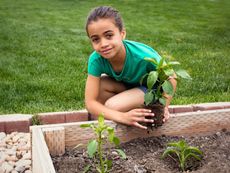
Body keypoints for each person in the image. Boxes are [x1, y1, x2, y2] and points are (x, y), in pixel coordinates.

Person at [84, 6, 177, 129]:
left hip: (151, 91)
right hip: (130, 86)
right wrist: (121, 117)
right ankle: (128, 114)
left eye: (109, 35)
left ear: (122, 34)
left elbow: (172, 77)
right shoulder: (96, 59)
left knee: (112, 106)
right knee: (100, 86)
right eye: (96, 39)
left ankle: (145, 113)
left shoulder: (142, 56)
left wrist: (164, 107)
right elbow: (90, 103)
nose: (103, 44)